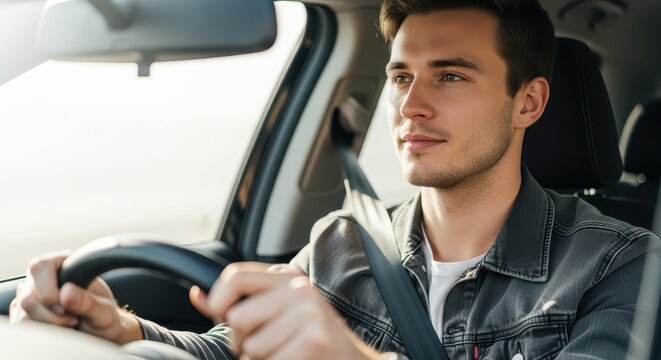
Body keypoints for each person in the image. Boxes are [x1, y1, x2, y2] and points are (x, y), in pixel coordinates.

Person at [10, 0, 660, 359]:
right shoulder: (346, 240)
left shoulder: (621, 265)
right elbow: (226, 352)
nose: (409, 107)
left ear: (528, 103)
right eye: (401, 77)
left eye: (450, 75)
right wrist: (122, 331)